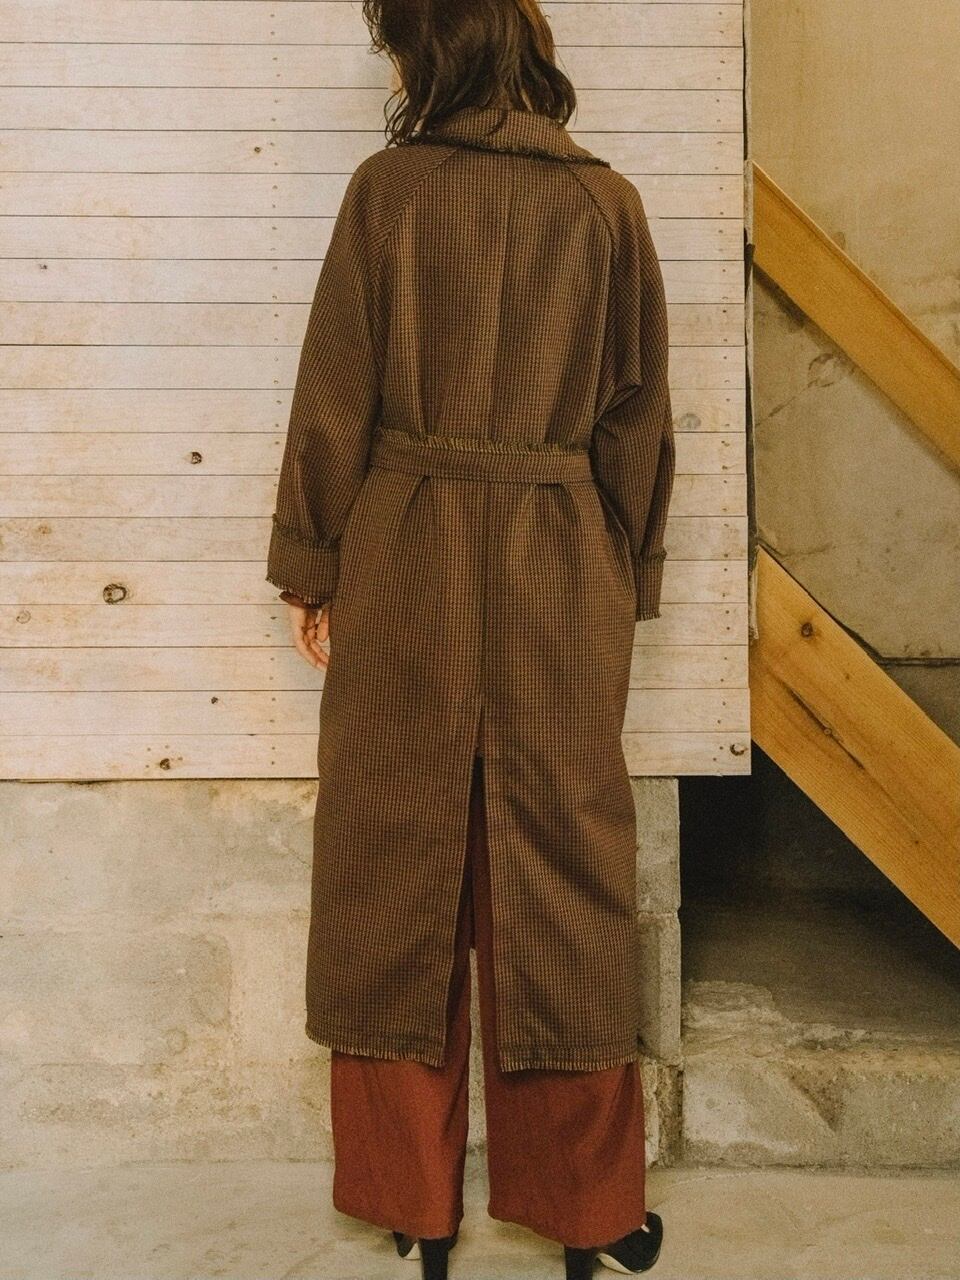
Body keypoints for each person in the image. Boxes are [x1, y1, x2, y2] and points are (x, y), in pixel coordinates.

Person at [267, 3, 675, 1277]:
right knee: (566, 870)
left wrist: (313, 561)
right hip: (562, 552)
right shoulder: (606, 205)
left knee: (394, 863)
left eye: (399, 44)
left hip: (407, 545)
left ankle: (415, 1201)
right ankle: (588, 1211)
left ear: (430, 53)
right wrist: (623, 573)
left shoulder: (387, 193)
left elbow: (336, 390)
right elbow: (638, 419)